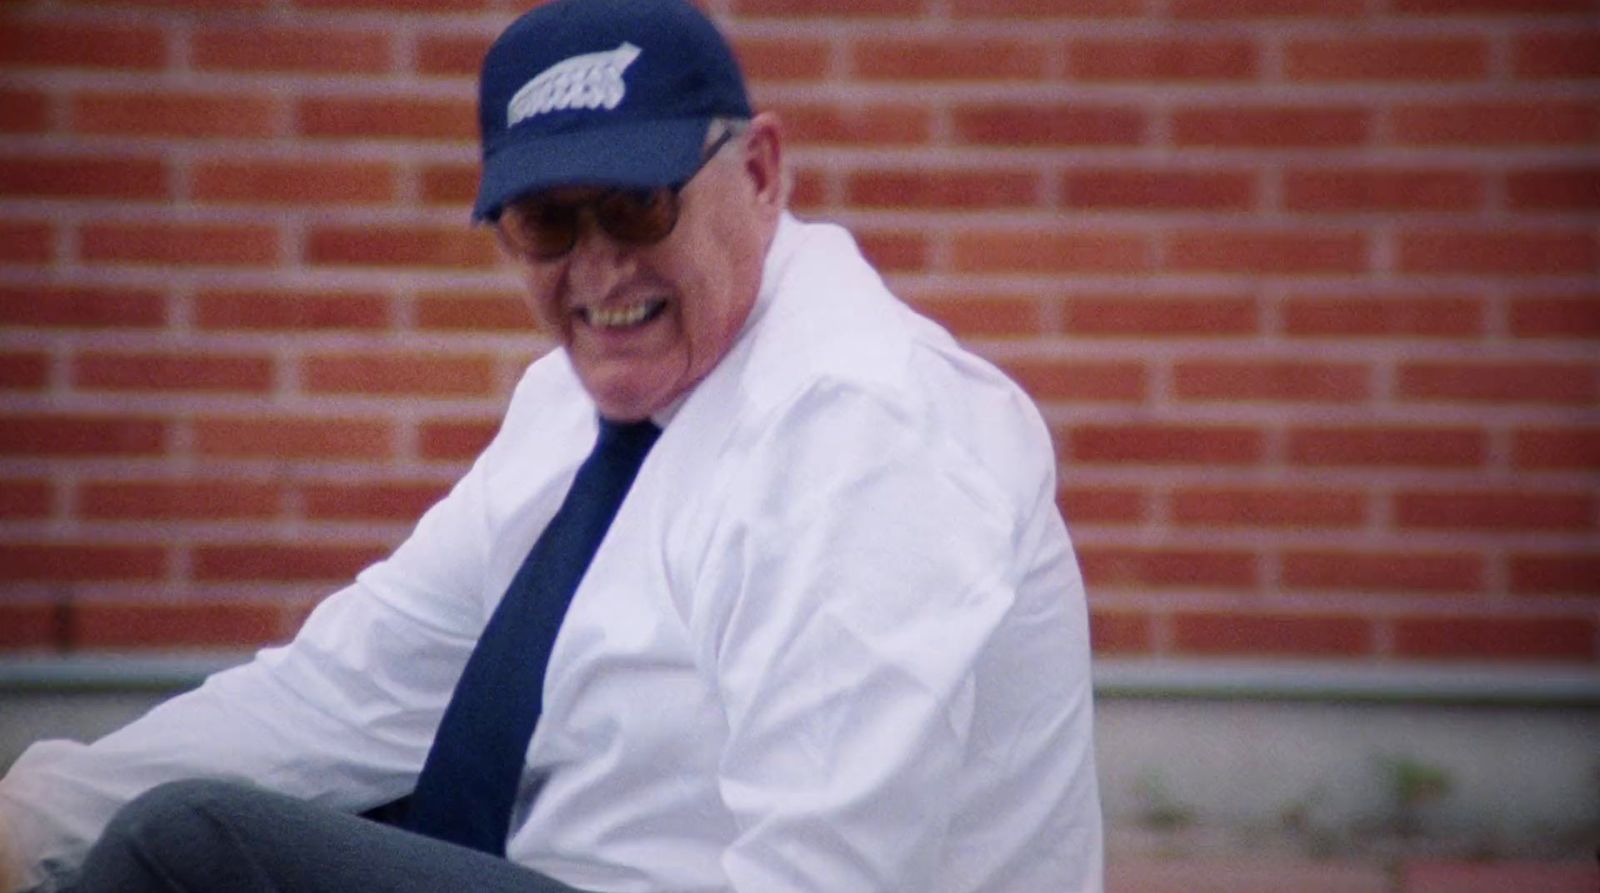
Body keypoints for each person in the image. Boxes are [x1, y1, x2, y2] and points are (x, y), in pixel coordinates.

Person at [0, 0, 1103, 890]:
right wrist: (22, 823)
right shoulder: (570, 411)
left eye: (636, 207)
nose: (599, 268)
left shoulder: (860, 428)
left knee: (195, 848)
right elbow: (341, 693)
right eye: (546, 224)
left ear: (761, 173)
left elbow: (828, 871)